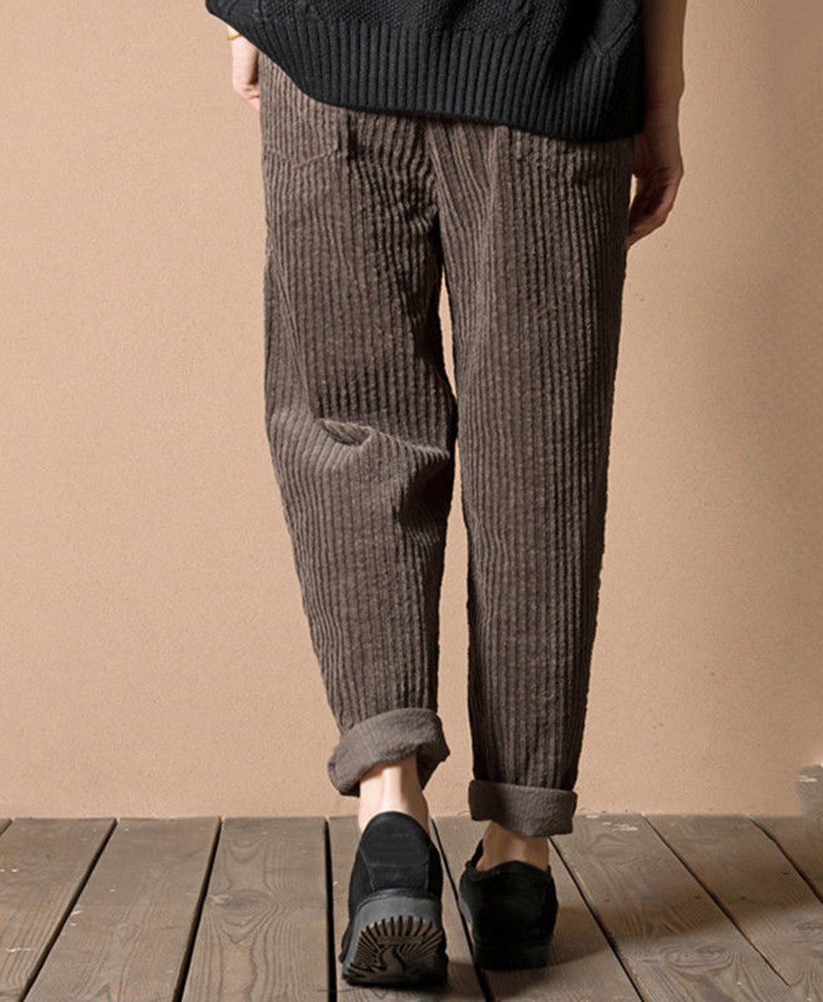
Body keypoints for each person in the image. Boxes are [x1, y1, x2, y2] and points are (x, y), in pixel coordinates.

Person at [207, 0, 686, 986]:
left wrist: (252, 15)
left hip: (330, 39)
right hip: (552, 57)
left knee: (355, 435)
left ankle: (390, 813)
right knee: (540, 458)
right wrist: (660, 88)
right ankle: (518, 856)